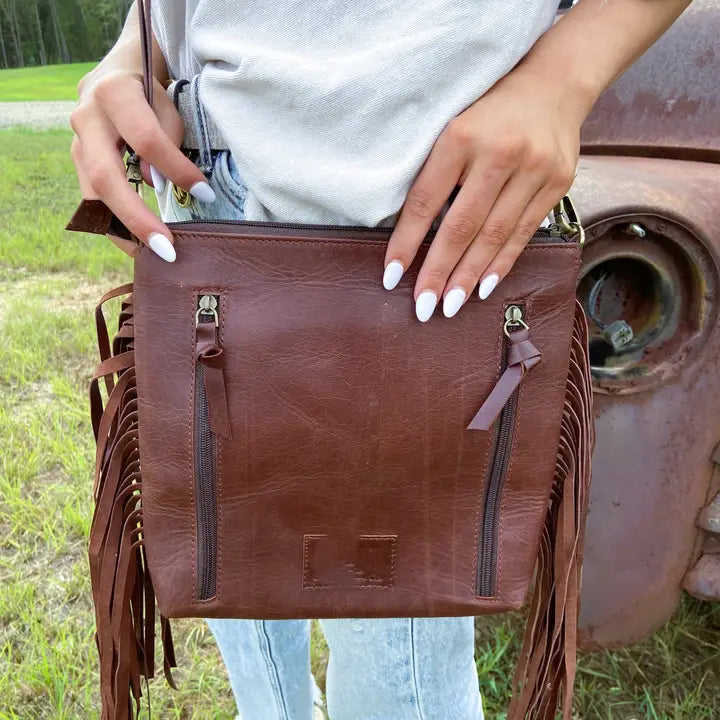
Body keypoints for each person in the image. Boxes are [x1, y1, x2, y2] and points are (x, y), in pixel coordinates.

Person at [69, 1, 691, 718]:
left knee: (396, 660)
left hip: (421, 214)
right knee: (226, 571)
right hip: (208, 197)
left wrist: (565, 76)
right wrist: (132, 58)